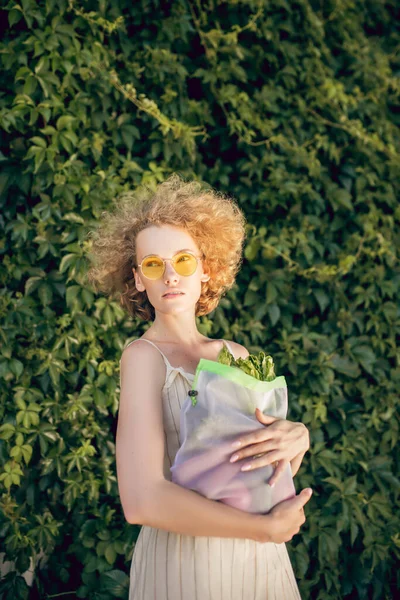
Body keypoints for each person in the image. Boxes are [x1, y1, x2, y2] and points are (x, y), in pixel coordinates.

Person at [87, 174, 312, 599]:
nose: (171, 275)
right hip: (187, 562)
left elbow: (258, 472)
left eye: (184, 260)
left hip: (256, 563)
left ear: (206, 270)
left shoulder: (236, 355)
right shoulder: (142, 358)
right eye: (154, 264)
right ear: (138, 279)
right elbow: (141, 501)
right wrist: (263, 530)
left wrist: (297, 438)